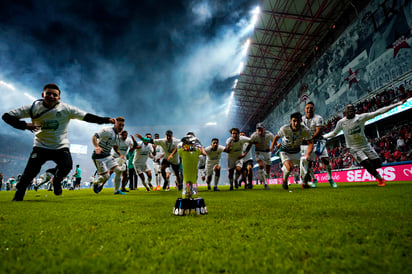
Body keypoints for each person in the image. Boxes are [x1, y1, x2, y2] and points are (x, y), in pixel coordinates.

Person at [2, 83, 115, 201]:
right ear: (42, 95)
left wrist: (105, 120)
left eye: (54, 95)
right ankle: (19, 195)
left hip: (60, 146)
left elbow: (87, 117)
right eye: (48, 94)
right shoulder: (33, 108)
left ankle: (56, 180)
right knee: (30, 172)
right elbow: (6, 116)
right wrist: (24, 125)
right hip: (40, 146)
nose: (51, 96)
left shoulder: (66, 109)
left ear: (59, 97)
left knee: (67, 166)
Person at [323, 99, 407, 186]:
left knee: (378, 164)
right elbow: (334, 133)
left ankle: (369, 168)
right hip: (353, 148)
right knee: (367, 163)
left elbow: (379, 112)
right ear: (345, 111)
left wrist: (398, 103)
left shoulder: (361, 117)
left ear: (355, 110)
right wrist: (323, 137)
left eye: (352, 109)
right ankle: (380, 179)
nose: (350, 110)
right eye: (349, 109)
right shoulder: (341, 122)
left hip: (365, 145)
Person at [270, 112, 313, 190]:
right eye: (294, 121)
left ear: (301, 121)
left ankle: (304, 183)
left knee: (305, 161)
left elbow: (310, 143)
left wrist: (308, 154)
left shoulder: (305, 130)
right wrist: (273, 145)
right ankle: (284, 180)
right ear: (290, 121)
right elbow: (276, 136)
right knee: (290, 167)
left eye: (298, 121)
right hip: (284, 151)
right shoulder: (284, 129)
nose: (296, 123)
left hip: (296, 152)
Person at [302, 102, 337, 188]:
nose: (309, 109)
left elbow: (318, 131)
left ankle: (330, 179)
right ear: (304, 109)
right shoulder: (302, 119)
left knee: (325, 160)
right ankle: (314, 179)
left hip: (318, 142)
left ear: (314, 109)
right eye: (307, 108)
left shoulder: (318, 118)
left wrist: (309, 138)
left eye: (311, 108)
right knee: (308, 163)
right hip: (307, 144)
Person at [92, 116, 127, 195]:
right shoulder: (107, 131)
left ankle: (116, 191)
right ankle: (95, 182)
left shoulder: (117, 135)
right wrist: (97, 147)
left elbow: (115, 147)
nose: (121, 127)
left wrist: (120, 154)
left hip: (107, 155)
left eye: (122, 125)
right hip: (99, 157)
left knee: (118, 171)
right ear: (115, 124)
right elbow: (94, 136)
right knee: (106, 177)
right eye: (119, 125)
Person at [241, 123, 274, 190]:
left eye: (261, 130)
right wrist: (245, 153)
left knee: (267, 171)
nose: (260, 132)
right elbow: (249, 145)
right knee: (261, 165)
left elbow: (274, 141)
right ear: (256, 130)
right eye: (258, 130)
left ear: (264, 129)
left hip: (267, 152)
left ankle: (265, 175)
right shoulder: (254, 136)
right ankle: (265, 184)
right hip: (258, 152)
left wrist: (273, 145)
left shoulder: (269, 135)